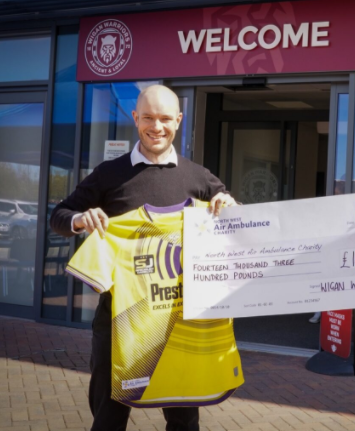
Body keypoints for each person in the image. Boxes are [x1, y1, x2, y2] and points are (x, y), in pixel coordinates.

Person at [50, 84, 236, 431]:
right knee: (109, 417)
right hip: (118, 322)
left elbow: (233, 217)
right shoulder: (109, 174)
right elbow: (59, 215)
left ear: (178, 121)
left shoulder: (197, 177)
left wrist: (230, 206)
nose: (157, 127)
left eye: (165, 118)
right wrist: (79, 219)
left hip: (180, 324)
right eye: (148, 117)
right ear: (135, 118)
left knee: (183, 419)